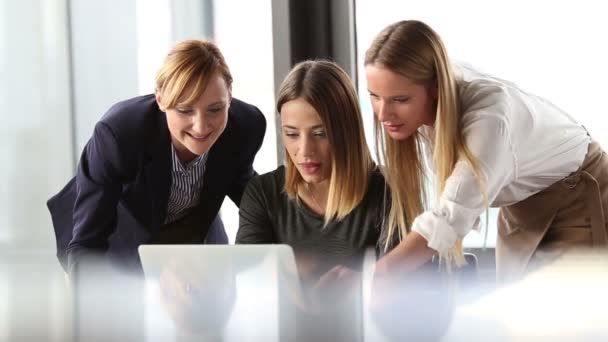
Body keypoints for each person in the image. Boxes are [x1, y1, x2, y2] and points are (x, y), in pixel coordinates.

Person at [364, 20, 607, 282]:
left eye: (400, 100)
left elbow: (450, 217)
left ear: (434, 88)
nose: (383, 114)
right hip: (522, 205)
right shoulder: (426, 100)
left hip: (578, 192)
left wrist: (377, 274)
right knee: (518, 313)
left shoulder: (489, 121)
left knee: (570, 316)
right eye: (374, 96)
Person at [47, 39, 266, 275]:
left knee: (212, 302)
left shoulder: (246, 126)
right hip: (122, 232)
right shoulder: (120, 134)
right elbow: (88, 243)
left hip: (194, 229)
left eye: (215, 109)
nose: (201, 127)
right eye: (184, 109)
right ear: (160, 98)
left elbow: (250, 196)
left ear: (230, 96)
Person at [236, 60, 392, 340]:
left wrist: (365, 281)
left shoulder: (386, 191)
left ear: (347, 131)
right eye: (292, 134)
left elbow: (408, 286)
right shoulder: (262, 193)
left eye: (320, 134)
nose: (304, 151)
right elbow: (250, 280)